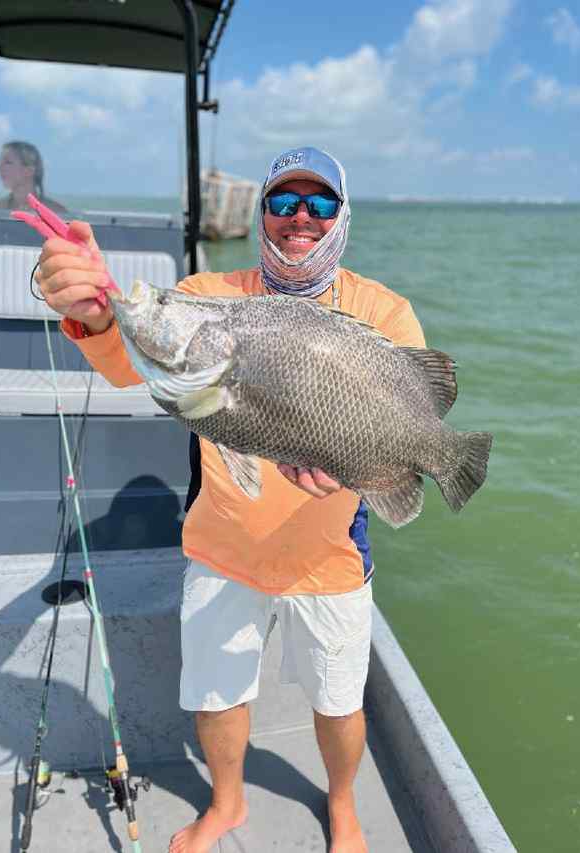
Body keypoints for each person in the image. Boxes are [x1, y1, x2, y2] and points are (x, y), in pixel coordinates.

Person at [36, 146, 425, 853]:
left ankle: (342, 805)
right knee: (217, 697)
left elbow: (401, 419)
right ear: (261, 216)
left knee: (339, 702)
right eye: (282, 202)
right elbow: (134, 354)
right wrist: (93, 309)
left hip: (330, 557)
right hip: (221, 547)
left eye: (318, 203)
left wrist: (357, 467)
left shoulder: (383, 311)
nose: (299, 217)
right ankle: (228, 802)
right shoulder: (212, 294)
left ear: (342, 216)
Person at [0, 141, 67, 213]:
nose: (0, 167)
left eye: (7, 162)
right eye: (0, 163)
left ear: (29, 171)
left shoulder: (56, 212)